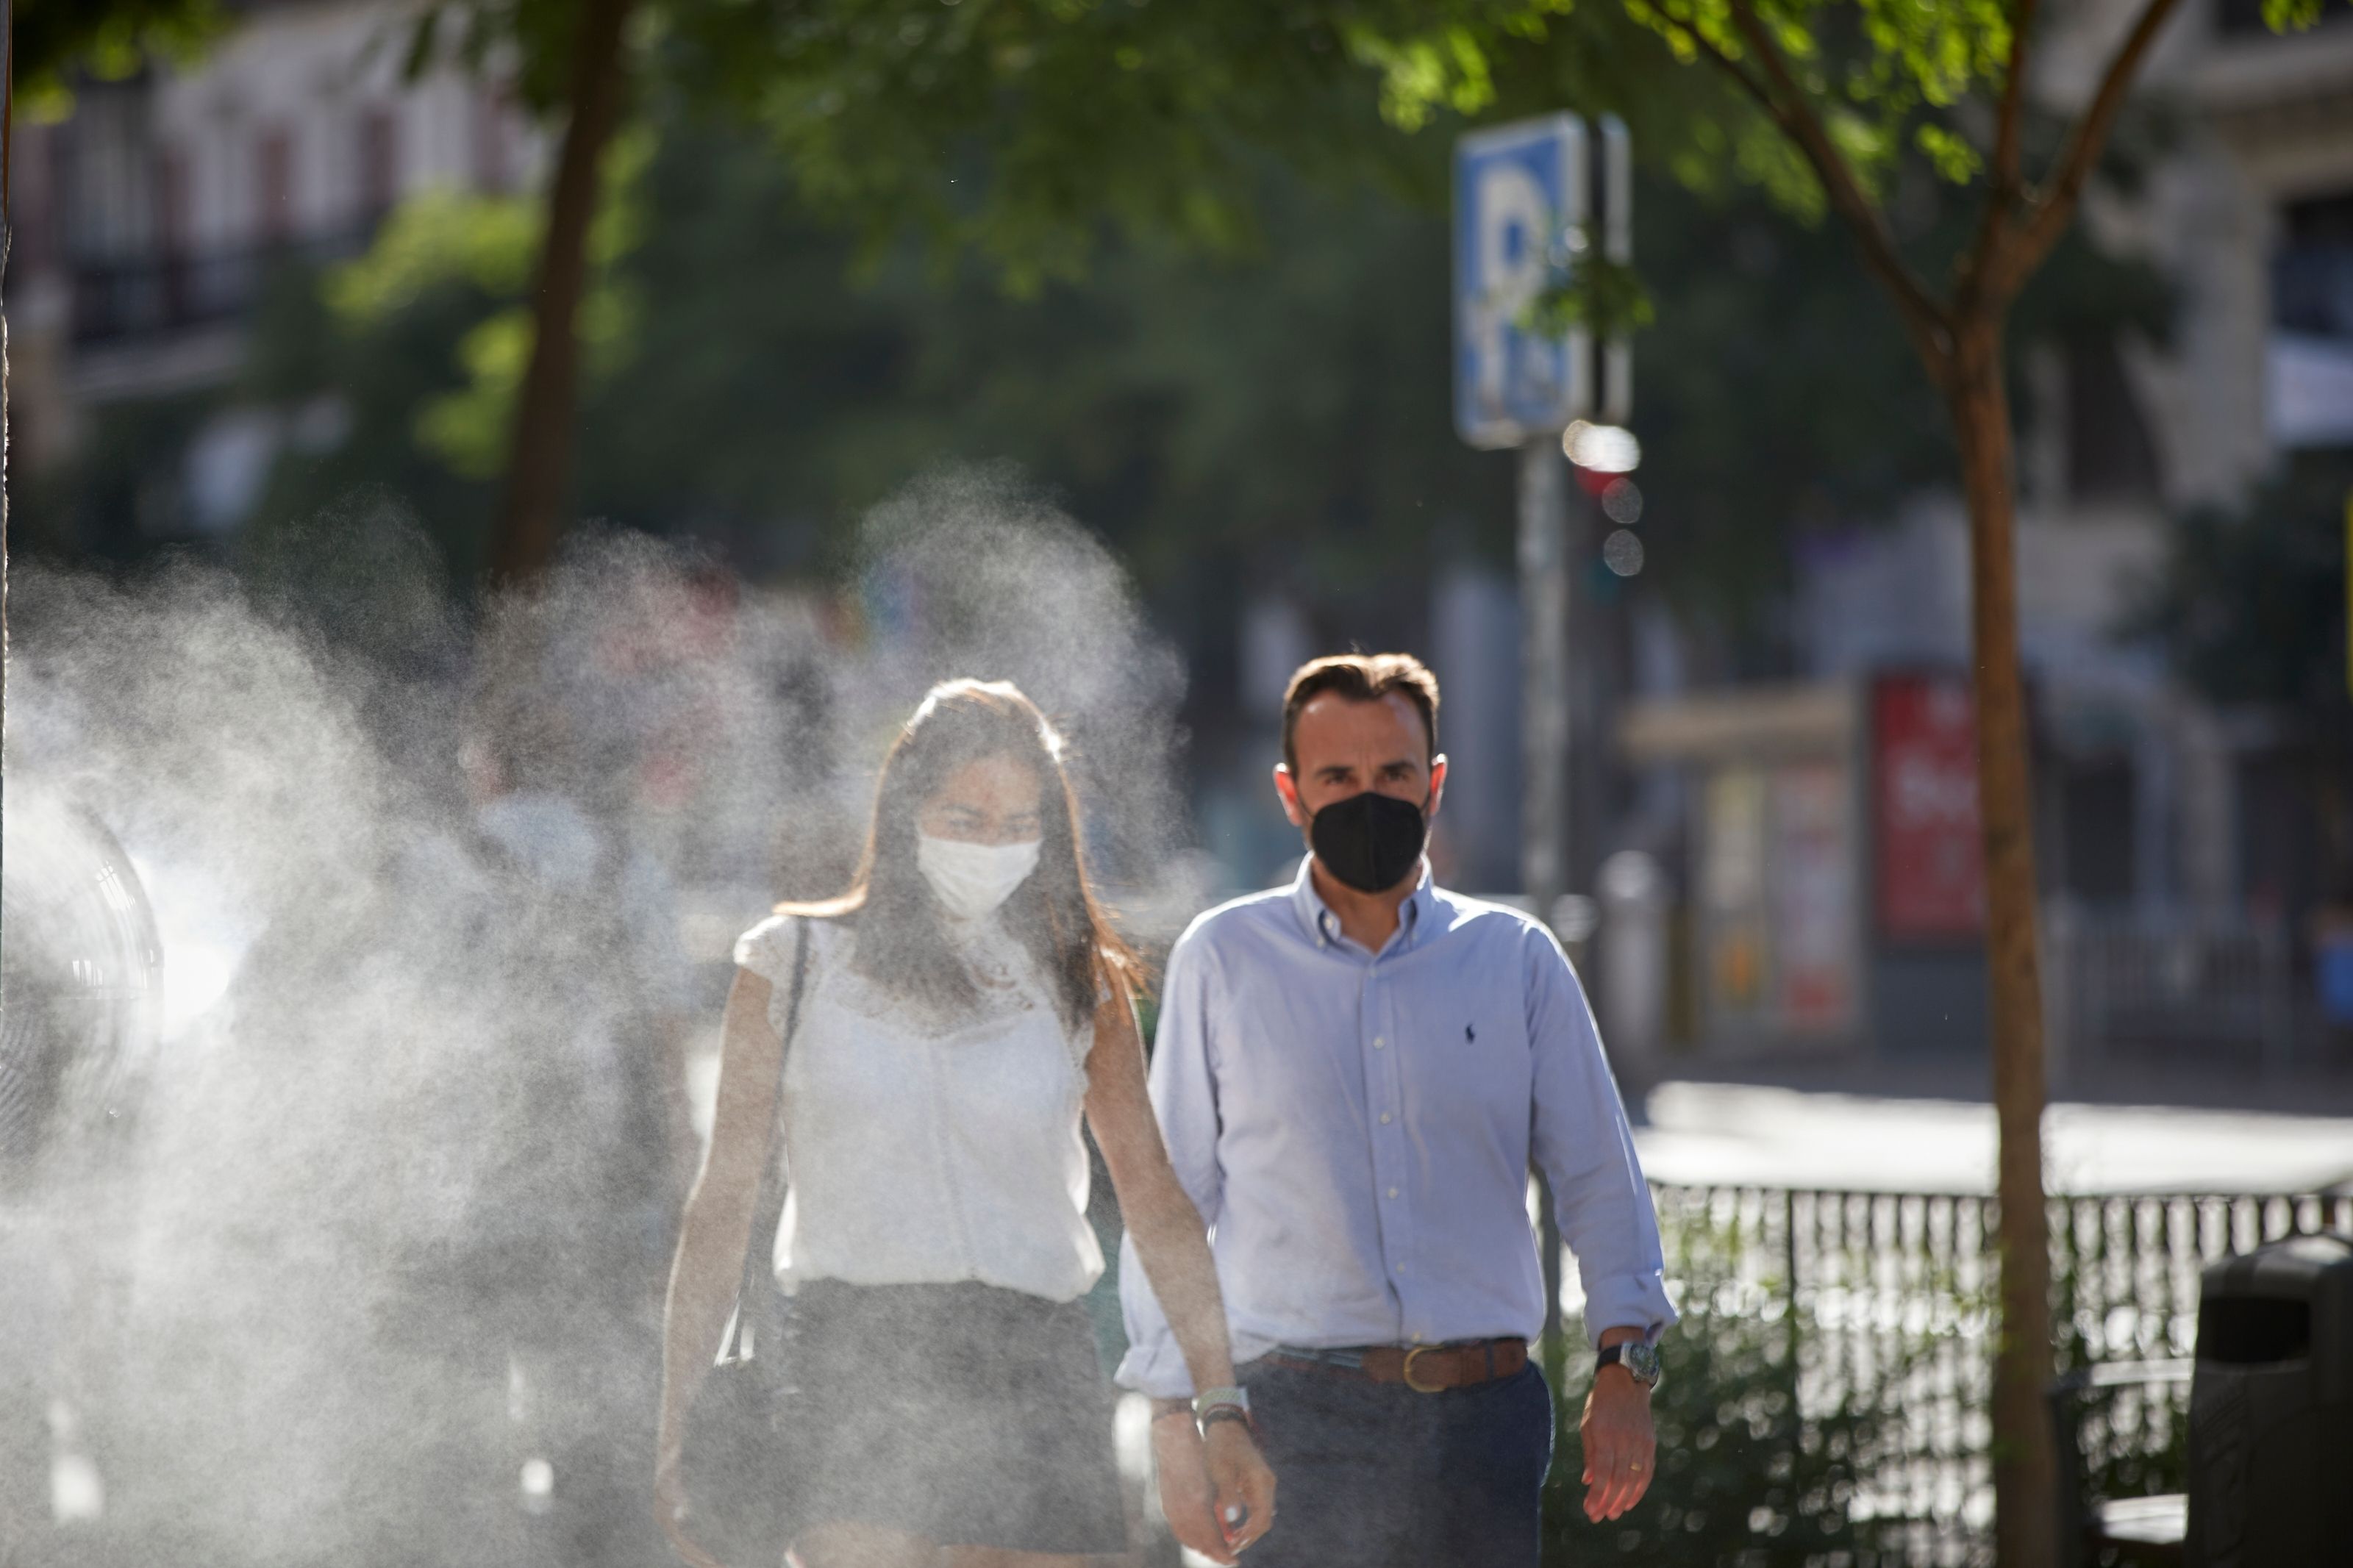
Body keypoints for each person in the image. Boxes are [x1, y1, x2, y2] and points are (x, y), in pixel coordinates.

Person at [657, 679, 1277, 1568]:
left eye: (1019, 824)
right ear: (906, 810)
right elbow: (721, 1204)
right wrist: (675, 1424)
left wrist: (1220, 1405)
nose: (993, 845)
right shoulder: (790, 962)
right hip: (854, 1358)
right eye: (965, 817)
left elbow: (1155, 1201)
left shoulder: (1076, 982)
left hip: (1035, 1361)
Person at [1121, 653, 1677, 1568]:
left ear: (1436, 784)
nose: (1366, 797)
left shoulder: (1516, 959)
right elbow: (1171, 1206)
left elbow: (1597, 1177)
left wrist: (1626, 1366)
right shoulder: (1222, 959)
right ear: (1290, 792)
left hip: (1482, 1419)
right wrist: (1177, 1419)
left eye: (1393, 775)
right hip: (1292, 1418)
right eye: (1336, 777)